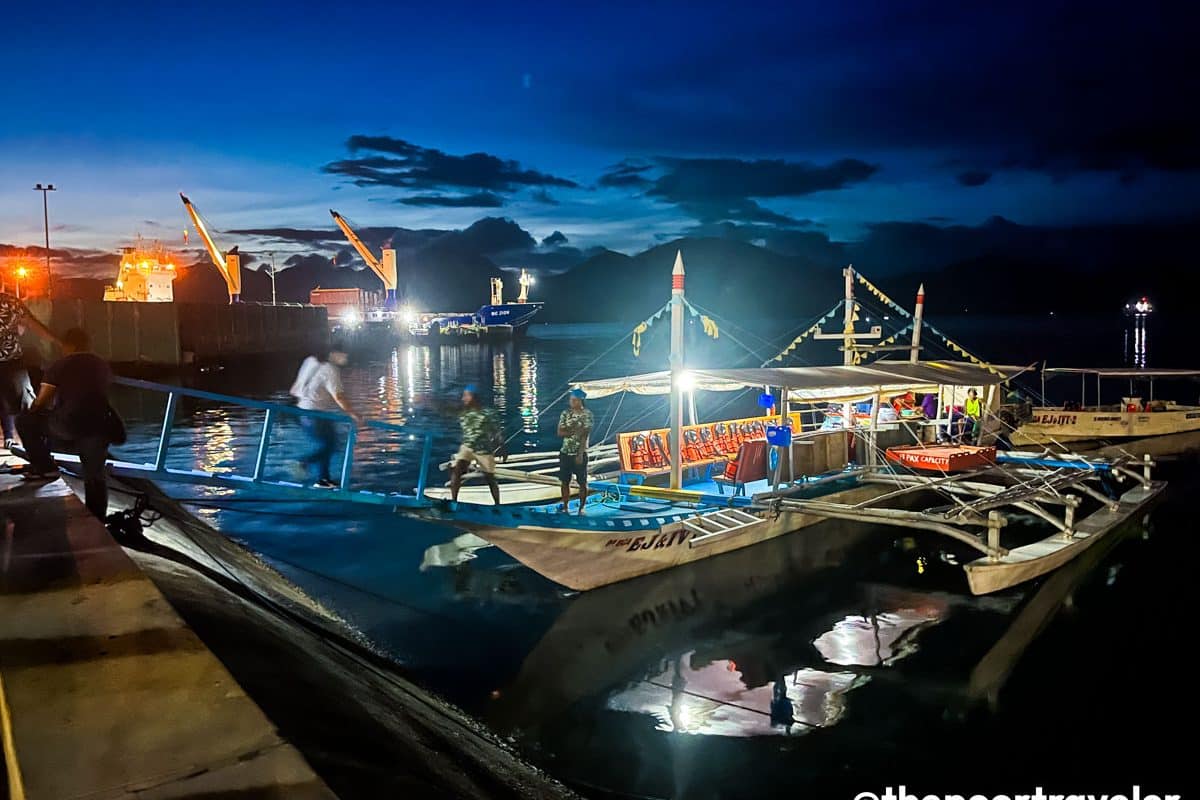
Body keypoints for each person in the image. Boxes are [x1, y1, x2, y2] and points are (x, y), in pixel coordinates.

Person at [16, 328, 118, 518]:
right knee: (95, 475)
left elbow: (41, 401)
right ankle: (97, 518)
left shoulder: (60, 365)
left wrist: (34, 409)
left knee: (24, 421)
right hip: (100, 425)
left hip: (69, 425)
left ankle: (45, 467)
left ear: (67, 346)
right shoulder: (101, 365)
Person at [290, 343, 360, 488]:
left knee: (328, 444)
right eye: (344, 354)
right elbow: (339, 396)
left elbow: (296, 388)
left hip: (302, 413)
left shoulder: (310, 360)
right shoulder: (331, 370)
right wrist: (353, 414)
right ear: (333, 353)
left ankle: (323, 479)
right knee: (331, 445)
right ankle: (304, 462)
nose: (346, 358)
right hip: (316, 414)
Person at [0, 290, 59, 449]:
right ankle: (37, 447)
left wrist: (57, 343)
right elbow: (33, 325)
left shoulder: (10, 303)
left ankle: (28, 442)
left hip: (12, 362)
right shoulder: (10, 302)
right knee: (25, 404)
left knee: (19, 403)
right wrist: (58, 343)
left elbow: (32, 325)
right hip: (11, 361)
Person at [450, 384, 502, 506]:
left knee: (490, 478)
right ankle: (454, 501)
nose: (463, 399)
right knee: (456, 470)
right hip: (467, 447)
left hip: (483, 449)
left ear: (474, 397)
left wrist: (502, 446)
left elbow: (496, 431)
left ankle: (497, 504)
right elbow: (445, 409)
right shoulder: (464, 413)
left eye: (466, 396)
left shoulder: (488, 413)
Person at [557, 388, 593, 514]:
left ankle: (581, 507)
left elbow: (585, 435)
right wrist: (574, 431)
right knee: (564, 481)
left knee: (582, 482)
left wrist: (580, 454)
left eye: (574, 400)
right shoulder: (565, 413)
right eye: (571, 400)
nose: (571, 402)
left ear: (580, 401)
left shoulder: (587, 414)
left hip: (579, 452)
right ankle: (565, 506)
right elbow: (560, 432)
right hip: (565, 451)